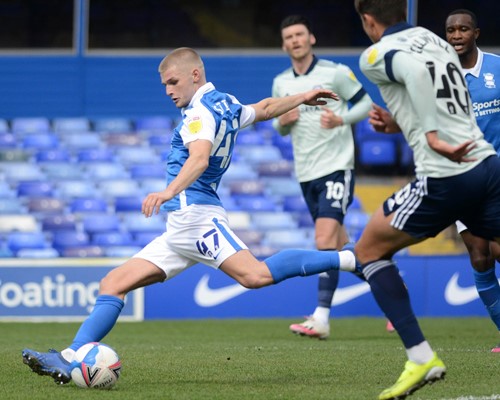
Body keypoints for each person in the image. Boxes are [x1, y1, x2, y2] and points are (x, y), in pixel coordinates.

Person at [21, 47, 358, 385]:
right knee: (113, 283)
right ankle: (69, 356)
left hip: (196, 218)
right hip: (180, 228)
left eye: (173, 82)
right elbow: (266, 108)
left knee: (255, 275)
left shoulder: (198, 113)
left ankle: (348, 258)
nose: (169, 91)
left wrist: (168, 191)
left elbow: (199, 158)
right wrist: (303, 96)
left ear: (195, 75)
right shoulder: (225, 103)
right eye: (165, 85)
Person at [354, 1, 500, 399]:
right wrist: (402, 122)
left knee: (368, 251)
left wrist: (431, 135)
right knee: (486, 255)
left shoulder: (375, 55)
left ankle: (420, 357)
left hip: (446, 175)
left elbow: (417, 75)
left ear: (368, 19)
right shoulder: (436, 43)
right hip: (486, 163)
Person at [271, 15, 386, 339]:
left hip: (336, 167)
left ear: (311, 38)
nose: (295, 40)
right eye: (289, 37)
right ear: (284, 45)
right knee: (341, 249)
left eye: (299, 34)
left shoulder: (334, 73)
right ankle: (390, 283)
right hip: (306, 173)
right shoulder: (281, 83)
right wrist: (283, 121)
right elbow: (279, 126)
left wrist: (341, 119)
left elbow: (365, 103)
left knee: (323, 242)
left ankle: (321, 318)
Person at [445, 9, 500, 353]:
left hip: (497, 174)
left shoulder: (496, 68)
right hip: (463, 180)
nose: (456, 35)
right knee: (480, 258)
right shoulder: (439, 76)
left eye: (463, 29)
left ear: (476, 33)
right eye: (451, 30)